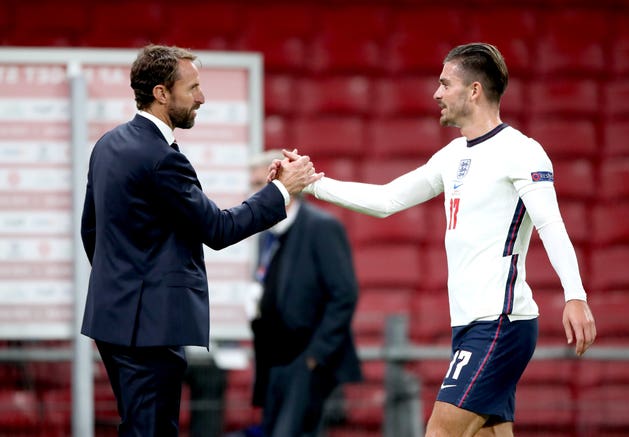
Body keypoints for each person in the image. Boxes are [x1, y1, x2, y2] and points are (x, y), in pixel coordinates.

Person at [279, 43, 597, 437]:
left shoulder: (522, 152)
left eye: (445, 84)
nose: (436, 93)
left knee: (440, 431)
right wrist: (312, 183)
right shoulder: (452, 156)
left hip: (499, 322)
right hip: (468, 323)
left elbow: (550, 223)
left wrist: (575, 294)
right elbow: (387, 199)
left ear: (474, 90)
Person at [79, 44, 320, 437]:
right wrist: (279, 190)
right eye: (192, 88)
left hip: (114, 319)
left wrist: (123, 285)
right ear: (161, 93)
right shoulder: (161, 157)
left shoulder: (108, 144)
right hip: (152, 326)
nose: (201, 98)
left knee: (139, 427)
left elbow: (92, 232)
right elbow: (219, 230)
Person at [247, 150, 363, 437]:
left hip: (306, 361)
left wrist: (315, 356)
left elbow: (344, 294)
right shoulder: (267, 234)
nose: (252, 192)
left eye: (260, 183)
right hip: (273, 359)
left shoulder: (322, 227)